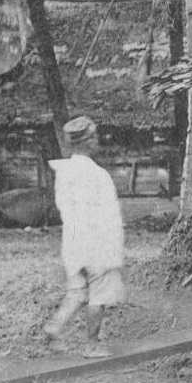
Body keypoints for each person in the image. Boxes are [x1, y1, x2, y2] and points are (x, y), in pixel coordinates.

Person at [42, 116, 125, 359]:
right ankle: (92, 344)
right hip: (97, 243)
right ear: (87, 142)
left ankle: (55, 327)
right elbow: (109, 214)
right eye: (95, 136)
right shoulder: (98, 175)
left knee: (77, 291)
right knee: (99, 293)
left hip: (73, 240)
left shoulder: (64, 172)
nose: (98, 140)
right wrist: (114, 247)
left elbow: (63, 207)